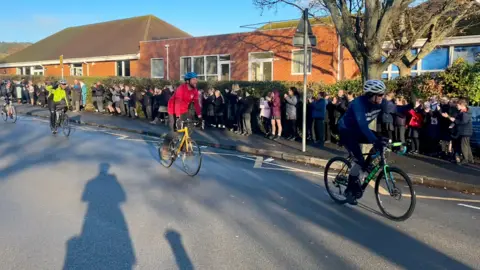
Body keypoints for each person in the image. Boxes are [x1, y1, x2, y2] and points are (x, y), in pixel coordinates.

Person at [338, 80, 410, 205]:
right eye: (380, 95)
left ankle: (366, 168)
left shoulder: (381, 102)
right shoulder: (357, 104)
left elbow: (396, 109)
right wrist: (375, 141)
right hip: (347, 131)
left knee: (384, 141)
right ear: (371, 95)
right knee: (359, 160)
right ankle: (349, 190)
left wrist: (411, 106)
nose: (382, 97)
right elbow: (363, 127)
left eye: (383, 94)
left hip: (360, 130)